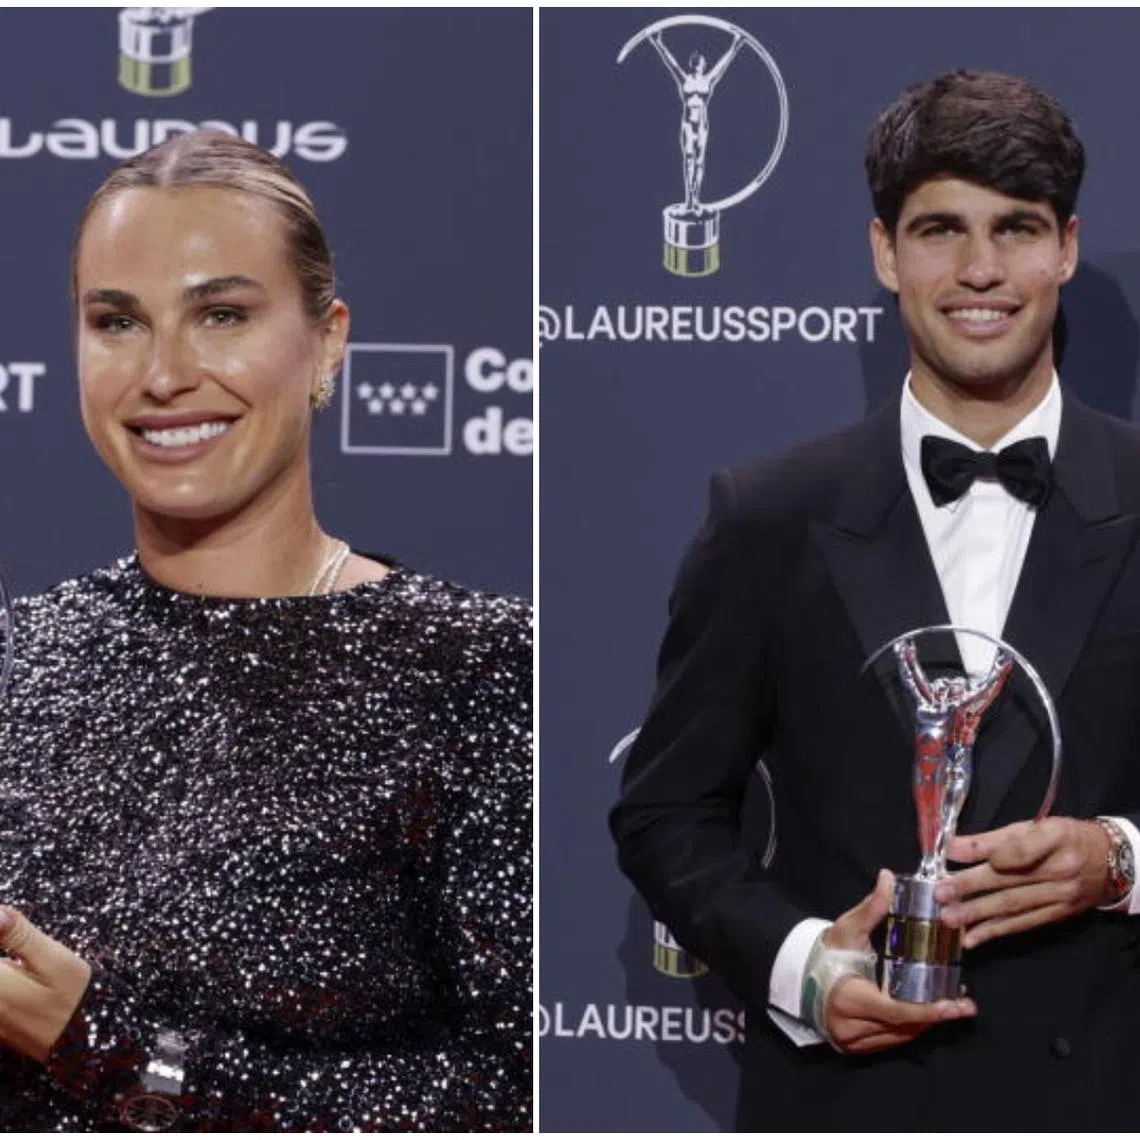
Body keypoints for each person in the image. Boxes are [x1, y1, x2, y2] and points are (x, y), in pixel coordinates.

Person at [611, 70, 1140, 1130]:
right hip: (850, 1104)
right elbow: (668, 810)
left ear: (1066, 249)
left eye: (1016, 229)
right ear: (884, 253)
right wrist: (805, 965)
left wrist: (1121, 859)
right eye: (940, 229)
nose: (981, 269)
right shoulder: (768, 516)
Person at [0, 130, 532, 1132]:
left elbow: (514, 1101)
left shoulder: (477, 668)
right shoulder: (18, 657)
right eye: (117, 321)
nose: (163, 375)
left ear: (328, 341)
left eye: (222, 315)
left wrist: (110, 1051)